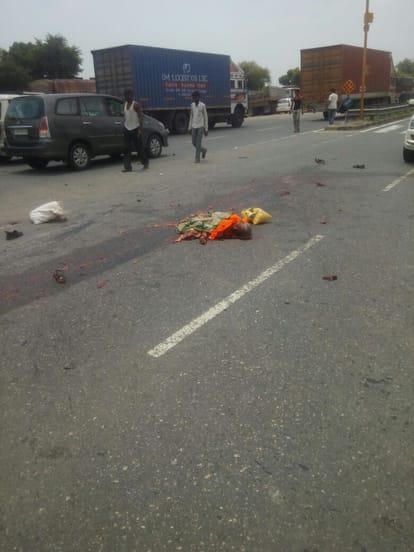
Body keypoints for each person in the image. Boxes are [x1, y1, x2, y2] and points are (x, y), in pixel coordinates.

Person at [175, 211, 252, 244]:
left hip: (215, 225)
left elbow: (216, 232)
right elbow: (244, 219)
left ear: (236, 228)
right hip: (220, 220)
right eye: (242, 222)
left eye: (241, 223)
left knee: (197, 222)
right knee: (216, 215)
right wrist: (249, 216)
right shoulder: (238, 221)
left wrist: (211, 236)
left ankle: (202, 235)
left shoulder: (227, 230)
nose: (241, 221)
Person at [122, 88, 148, 172]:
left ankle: (145, 162)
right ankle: (127, 167)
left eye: (129, 95)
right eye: (126, 95)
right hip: (127, 128)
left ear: (131, 95)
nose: (127, 97)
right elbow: (125, 116)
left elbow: (141, 117)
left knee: (139, 147)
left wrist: (140, 129)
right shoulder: (124, 105)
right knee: (126, 148)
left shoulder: (136, 105)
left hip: (135, 129)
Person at [188, 90, 208, 163]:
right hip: (194, 126)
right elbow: (191, 116)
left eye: (195, 97)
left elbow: (205, 117)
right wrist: (189, 127)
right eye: (193, 97)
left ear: (199, 97)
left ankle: (197, 158)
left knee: (198, 142)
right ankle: (203, 150)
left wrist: (206, 129)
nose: (194, 98)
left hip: (200, 126)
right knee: (194, 142)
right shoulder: (192, 105)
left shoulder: (202, 105)